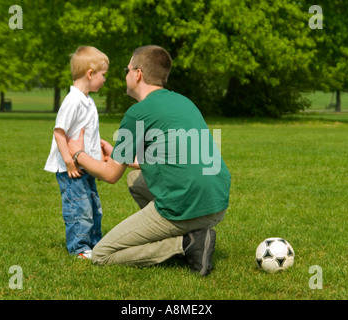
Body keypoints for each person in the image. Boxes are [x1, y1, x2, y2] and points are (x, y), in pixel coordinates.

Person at [67, 45, 231, 276]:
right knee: (135, 178)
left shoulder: (137, 113)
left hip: (187, 206)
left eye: (127, 69)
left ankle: (185, 244)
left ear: (137, 73)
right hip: (216, 203)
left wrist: (77, 154)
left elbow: (110, 175)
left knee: (102, 254)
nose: (125, 75)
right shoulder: (183, 101)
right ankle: (191, 235)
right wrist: (117, 153)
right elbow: (172, 155)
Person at [44, 46, 109, 260]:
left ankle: (94, 242)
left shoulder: (87, 100)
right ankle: (79, 247)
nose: (104, 80)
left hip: (86, 166)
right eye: (103, 75)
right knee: (79, 208)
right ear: (90, 74)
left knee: (93, 207)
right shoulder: (73, 102)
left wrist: (98, 148)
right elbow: (59, 133)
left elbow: (84, 132)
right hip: (71, 169)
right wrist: (69, 163)